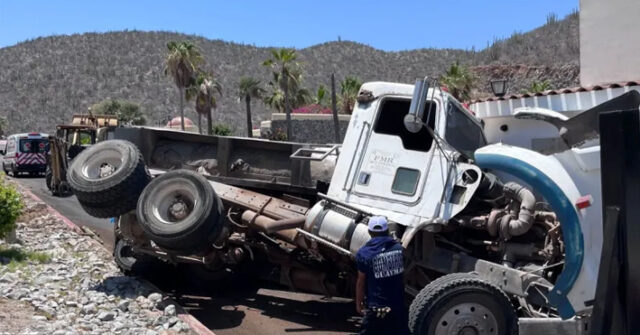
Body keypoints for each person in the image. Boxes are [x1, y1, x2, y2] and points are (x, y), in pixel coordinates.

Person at [355, 216, 409, 335]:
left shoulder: (363, 254)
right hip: (398, 307)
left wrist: (358, 303)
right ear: (388, 231)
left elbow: (361, 282)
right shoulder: (399, 249)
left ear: (369, 232)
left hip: (376, 309)